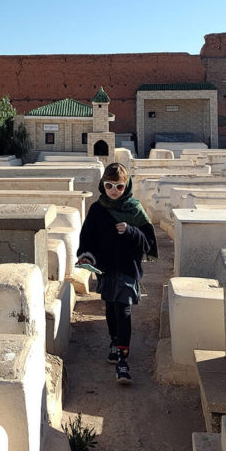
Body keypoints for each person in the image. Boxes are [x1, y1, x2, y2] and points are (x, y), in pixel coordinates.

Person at [75, 161, 157, 384]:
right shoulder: (97, 210)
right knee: (111, 307)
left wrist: (130, 231)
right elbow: (87, 239)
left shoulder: (135, 210)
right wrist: (86, 257)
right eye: (109, 185)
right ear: (103, 185)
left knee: (123, 308)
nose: (114, 190)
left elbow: (148, 242)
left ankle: (123, 358)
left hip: (127, 268)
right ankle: (114, 341)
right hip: (105, 269)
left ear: (127, 186)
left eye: (119, 187)